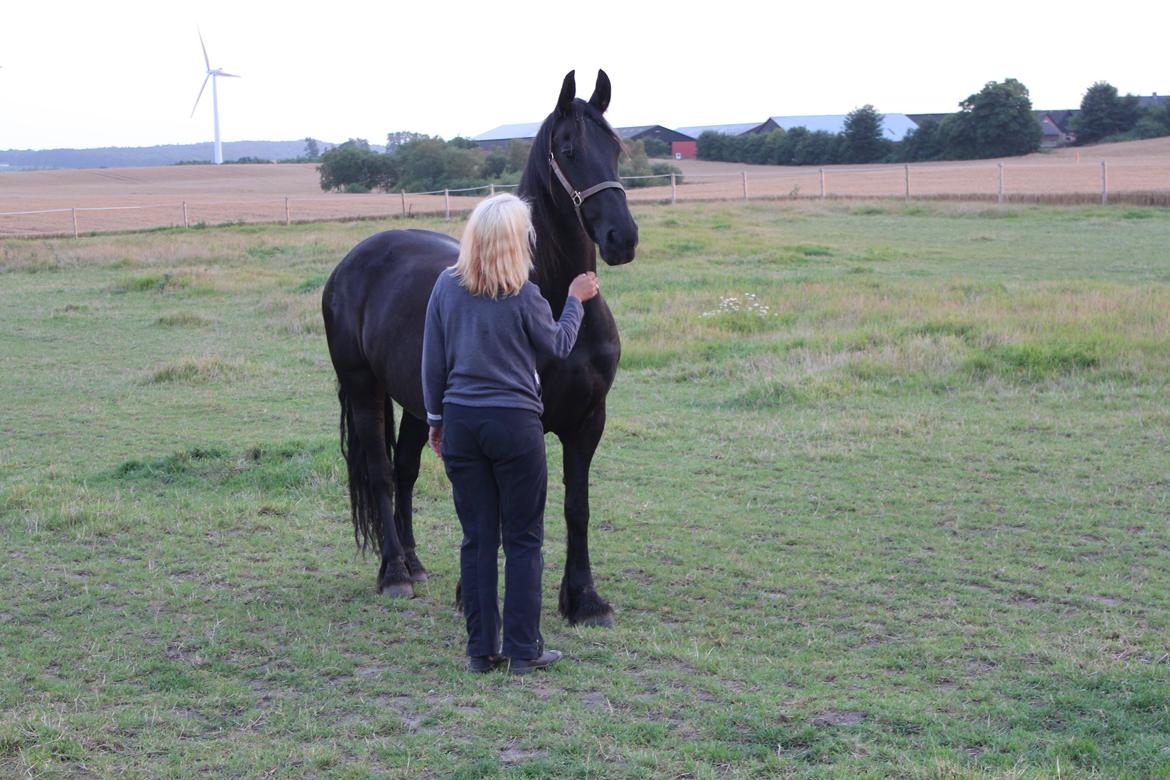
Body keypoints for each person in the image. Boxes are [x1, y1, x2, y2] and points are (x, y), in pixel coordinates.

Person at [421, 193, 600, 675]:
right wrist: (575, 301)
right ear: (518, 241)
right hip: (516, 425)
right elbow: (559, 345)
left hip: (461, 422)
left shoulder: (445, 285)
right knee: (522, 539)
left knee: (477, 539)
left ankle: (482, 650)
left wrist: (435, 421)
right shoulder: (524, 294)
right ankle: (525, 649)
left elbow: (432, 360)